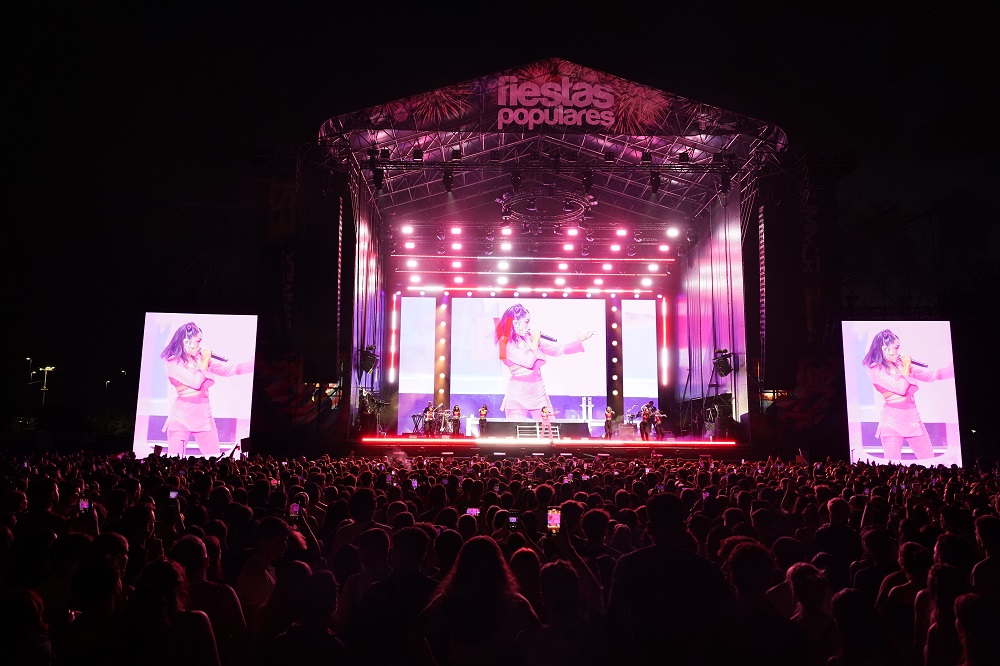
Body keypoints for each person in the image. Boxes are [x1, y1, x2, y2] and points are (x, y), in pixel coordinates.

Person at [161, 322, 253, 457]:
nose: (200, 345)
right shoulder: (173, 363)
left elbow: (228, 370)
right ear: (186, 341)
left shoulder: (200, 358)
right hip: (181, 418)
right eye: (198, 341)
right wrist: (205, 360)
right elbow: (196, 383)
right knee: (175, 460)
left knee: (214, 458)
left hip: (204, 417)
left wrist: (253, 364)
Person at [862, 328, 954, 463]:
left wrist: (952, 369)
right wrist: (906, 365)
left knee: (929, 462)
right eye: (896, 347)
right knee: (892, 466)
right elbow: (901, 388)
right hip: (892, 423)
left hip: (913, 421)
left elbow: (930, 376)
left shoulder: (900, 364)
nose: (899, 351)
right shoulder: (876, 369)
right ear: (885, 348)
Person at [494, 303, 594, 419]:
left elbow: (556, 350)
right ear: (515, 323)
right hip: (517, 396)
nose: (528, 325)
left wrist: (581, 339)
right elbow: (528, 362)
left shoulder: (529, 339)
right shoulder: (504, 344)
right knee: (516, 429)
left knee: (549, 428)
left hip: (539, 394)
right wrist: (535, 339)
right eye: (526, 321)